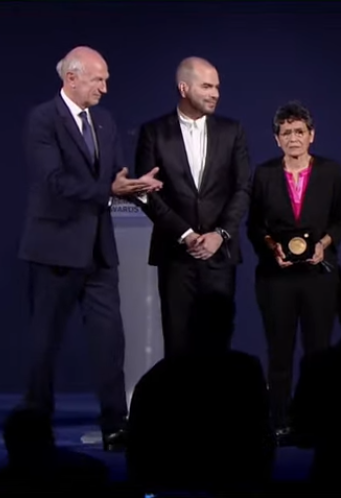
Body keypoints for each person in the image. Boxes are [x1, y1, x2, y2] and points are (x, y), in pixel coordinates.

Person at [18, 46, 162, 452]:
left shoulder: (104, 120)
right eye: (98, 79)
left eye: (106, 79)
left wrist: (133, 186)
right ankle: (36, 427)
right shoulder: (43, 119)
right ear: (72, 78)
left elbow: (113, 176)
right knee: (45, 344)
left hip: (99, 250)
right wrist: (109, 190)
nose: (105, 87)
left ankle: (115, 426)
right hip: (54, 250)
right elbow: (54, 181)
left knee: (109, 342)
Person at [133, 57, 251, 359]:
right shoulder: (153, 132)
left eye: (217, 87)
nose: (215, 94)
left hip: (219, 255)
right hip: (175, 257)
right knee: (177, 343)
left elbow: (243, 189)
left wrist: (220, 234)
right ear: (183, 88)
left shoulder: (232, 131)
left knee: (218, 346)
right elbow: (146, 193)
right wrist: (184, 234)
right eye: (207, 86)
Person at [247, 101, 341, 440]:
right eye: (286, 132)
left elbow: (339, 221)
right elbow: (254, 225)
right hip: (276, 278)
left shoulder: (331, 172)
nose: (293, 138)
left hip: (319, 276)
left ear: (311, 135)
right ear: (276, 139)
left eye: (299, 131)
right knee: (279, 351)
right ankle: (279, 419)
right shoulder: (263, 174)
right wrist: (271, 247)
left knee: (319, 351)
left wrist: (324, 245)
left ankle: (316, 418)